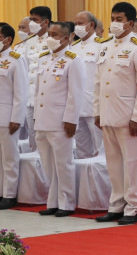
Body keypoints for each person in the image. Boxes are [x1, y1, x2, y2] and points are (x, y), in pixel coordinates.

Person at [94, 2, 137, 225]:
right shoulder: (106, 46)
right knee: (113, 162)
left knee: (131, 162)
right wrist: (97, 111)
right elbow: (99, 82)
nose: (114, 23)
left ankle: (133, 206)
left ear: (131, 23)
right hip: (108, 113)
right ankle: (116, 205)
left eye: (119, 19)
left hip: (128, 115)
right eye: (112, 18)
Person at [35, 22, 85, 217]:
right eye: (49, 33)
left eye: (54, 34)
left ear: (66, 38)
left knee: (63, 163)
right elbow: (39, 91)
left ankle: (67, 202)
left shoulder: (73, 60)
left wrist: (71, 119)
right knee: (48, 163)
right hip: (42, 119)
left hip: (60, 120)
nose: (50, 37)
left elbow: (75, 93)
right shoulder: (43, 58)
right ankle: (53, 201)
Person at [0, 23, 28, 209]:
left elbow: (21, 92)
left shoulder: (16, 59)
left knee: (9, 157)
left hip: (6, 115)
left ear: (8, 39)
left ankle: (9, 194)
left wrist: (16, 118)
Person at [71, 11, 103, 159]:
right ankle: (85, 181)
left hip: (94, 106)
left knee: (100, 149)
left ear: (91, 25)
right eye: (76, 24)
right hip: (77, 105)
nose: (77, 27)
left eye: (80, 24)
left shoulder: (101, 46)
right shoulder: (74, 47)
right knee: (81, 150)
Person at [24, 6, 51, 152]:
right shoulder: (29, 41)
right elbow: (27, 69)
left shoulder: (54, 40)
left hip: (46, 99)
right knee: (32, 140)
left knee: (46, 140)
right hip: (30, 97)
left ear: (45, 22)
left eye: (35, 20)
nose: (31, 23)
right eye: (30, 19)